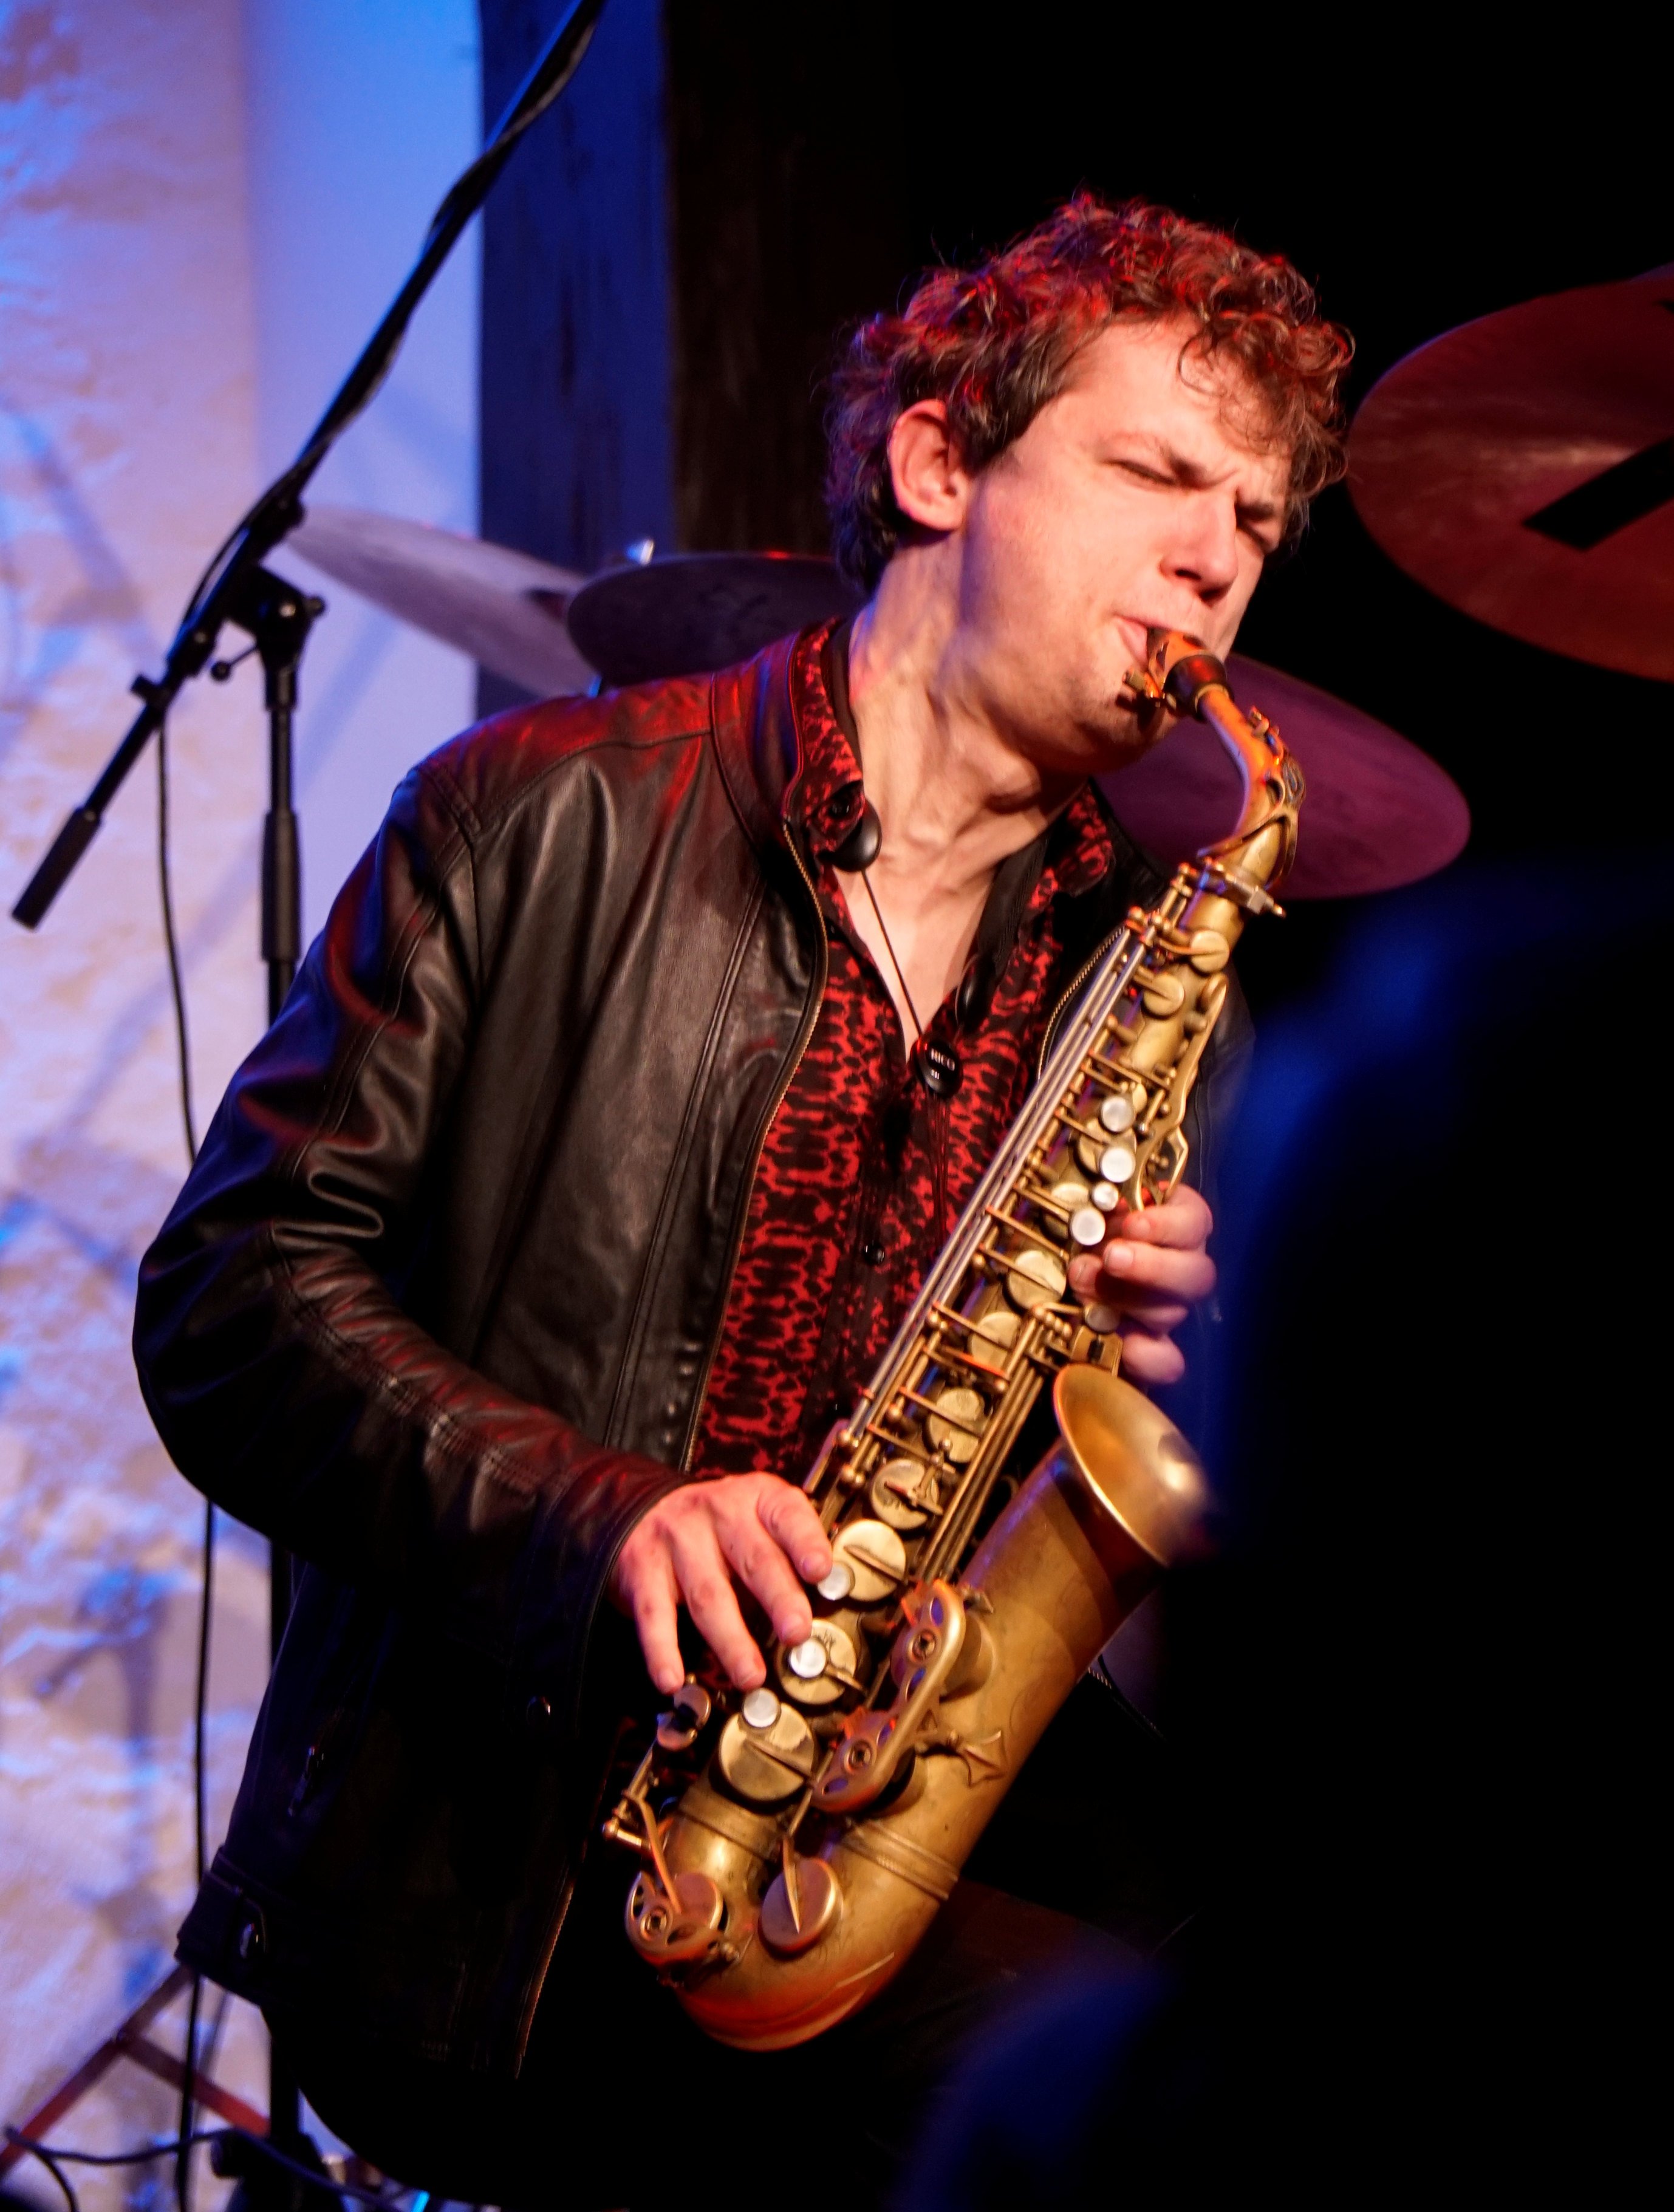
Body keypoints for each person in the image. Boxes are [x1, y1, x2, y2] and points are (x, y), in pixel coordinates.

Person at [133, 195, 1350, 2207]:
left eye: (1253, 519)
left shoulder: (1153, 977)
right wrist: (601, 1515)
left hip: (860, 1811)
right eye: (1154, 474)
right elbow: (229, 1306)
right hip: (510, 1875)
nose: (1215, 559)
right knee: (1136, 2106)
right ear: (939, 464)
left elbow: (1108, 1550)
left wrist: (1170, 1379)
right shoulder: (535, 810)